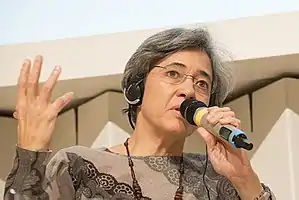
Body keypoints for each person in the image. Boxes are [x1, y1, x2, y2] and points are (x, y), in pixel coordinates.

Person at [4, 27, 275, 200]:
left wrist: (244, 178)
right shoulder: (78, 166)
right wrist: (31, 151)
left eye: (201, 83)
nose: (189, 90)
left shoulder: (220, 178)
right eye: (173, 73)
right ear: (136, 88)